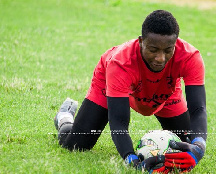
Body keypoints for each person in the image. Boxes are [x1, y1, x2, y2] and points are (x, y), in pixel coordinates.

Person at [54, 10, 207, 173]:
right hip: (111, 85)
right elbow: (118, 121)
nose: (160, 58)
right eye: (153, 50)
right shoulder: (120, 63)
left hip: (165, 92)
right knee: (76, 145)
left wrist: (198, 147)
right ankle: (64, 118)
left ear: (175, 44)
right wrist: (130, 158)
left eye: (168, 50)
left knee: (187, 143)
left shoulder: (190, 57)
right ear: (141, 41)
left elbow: (198, 109)